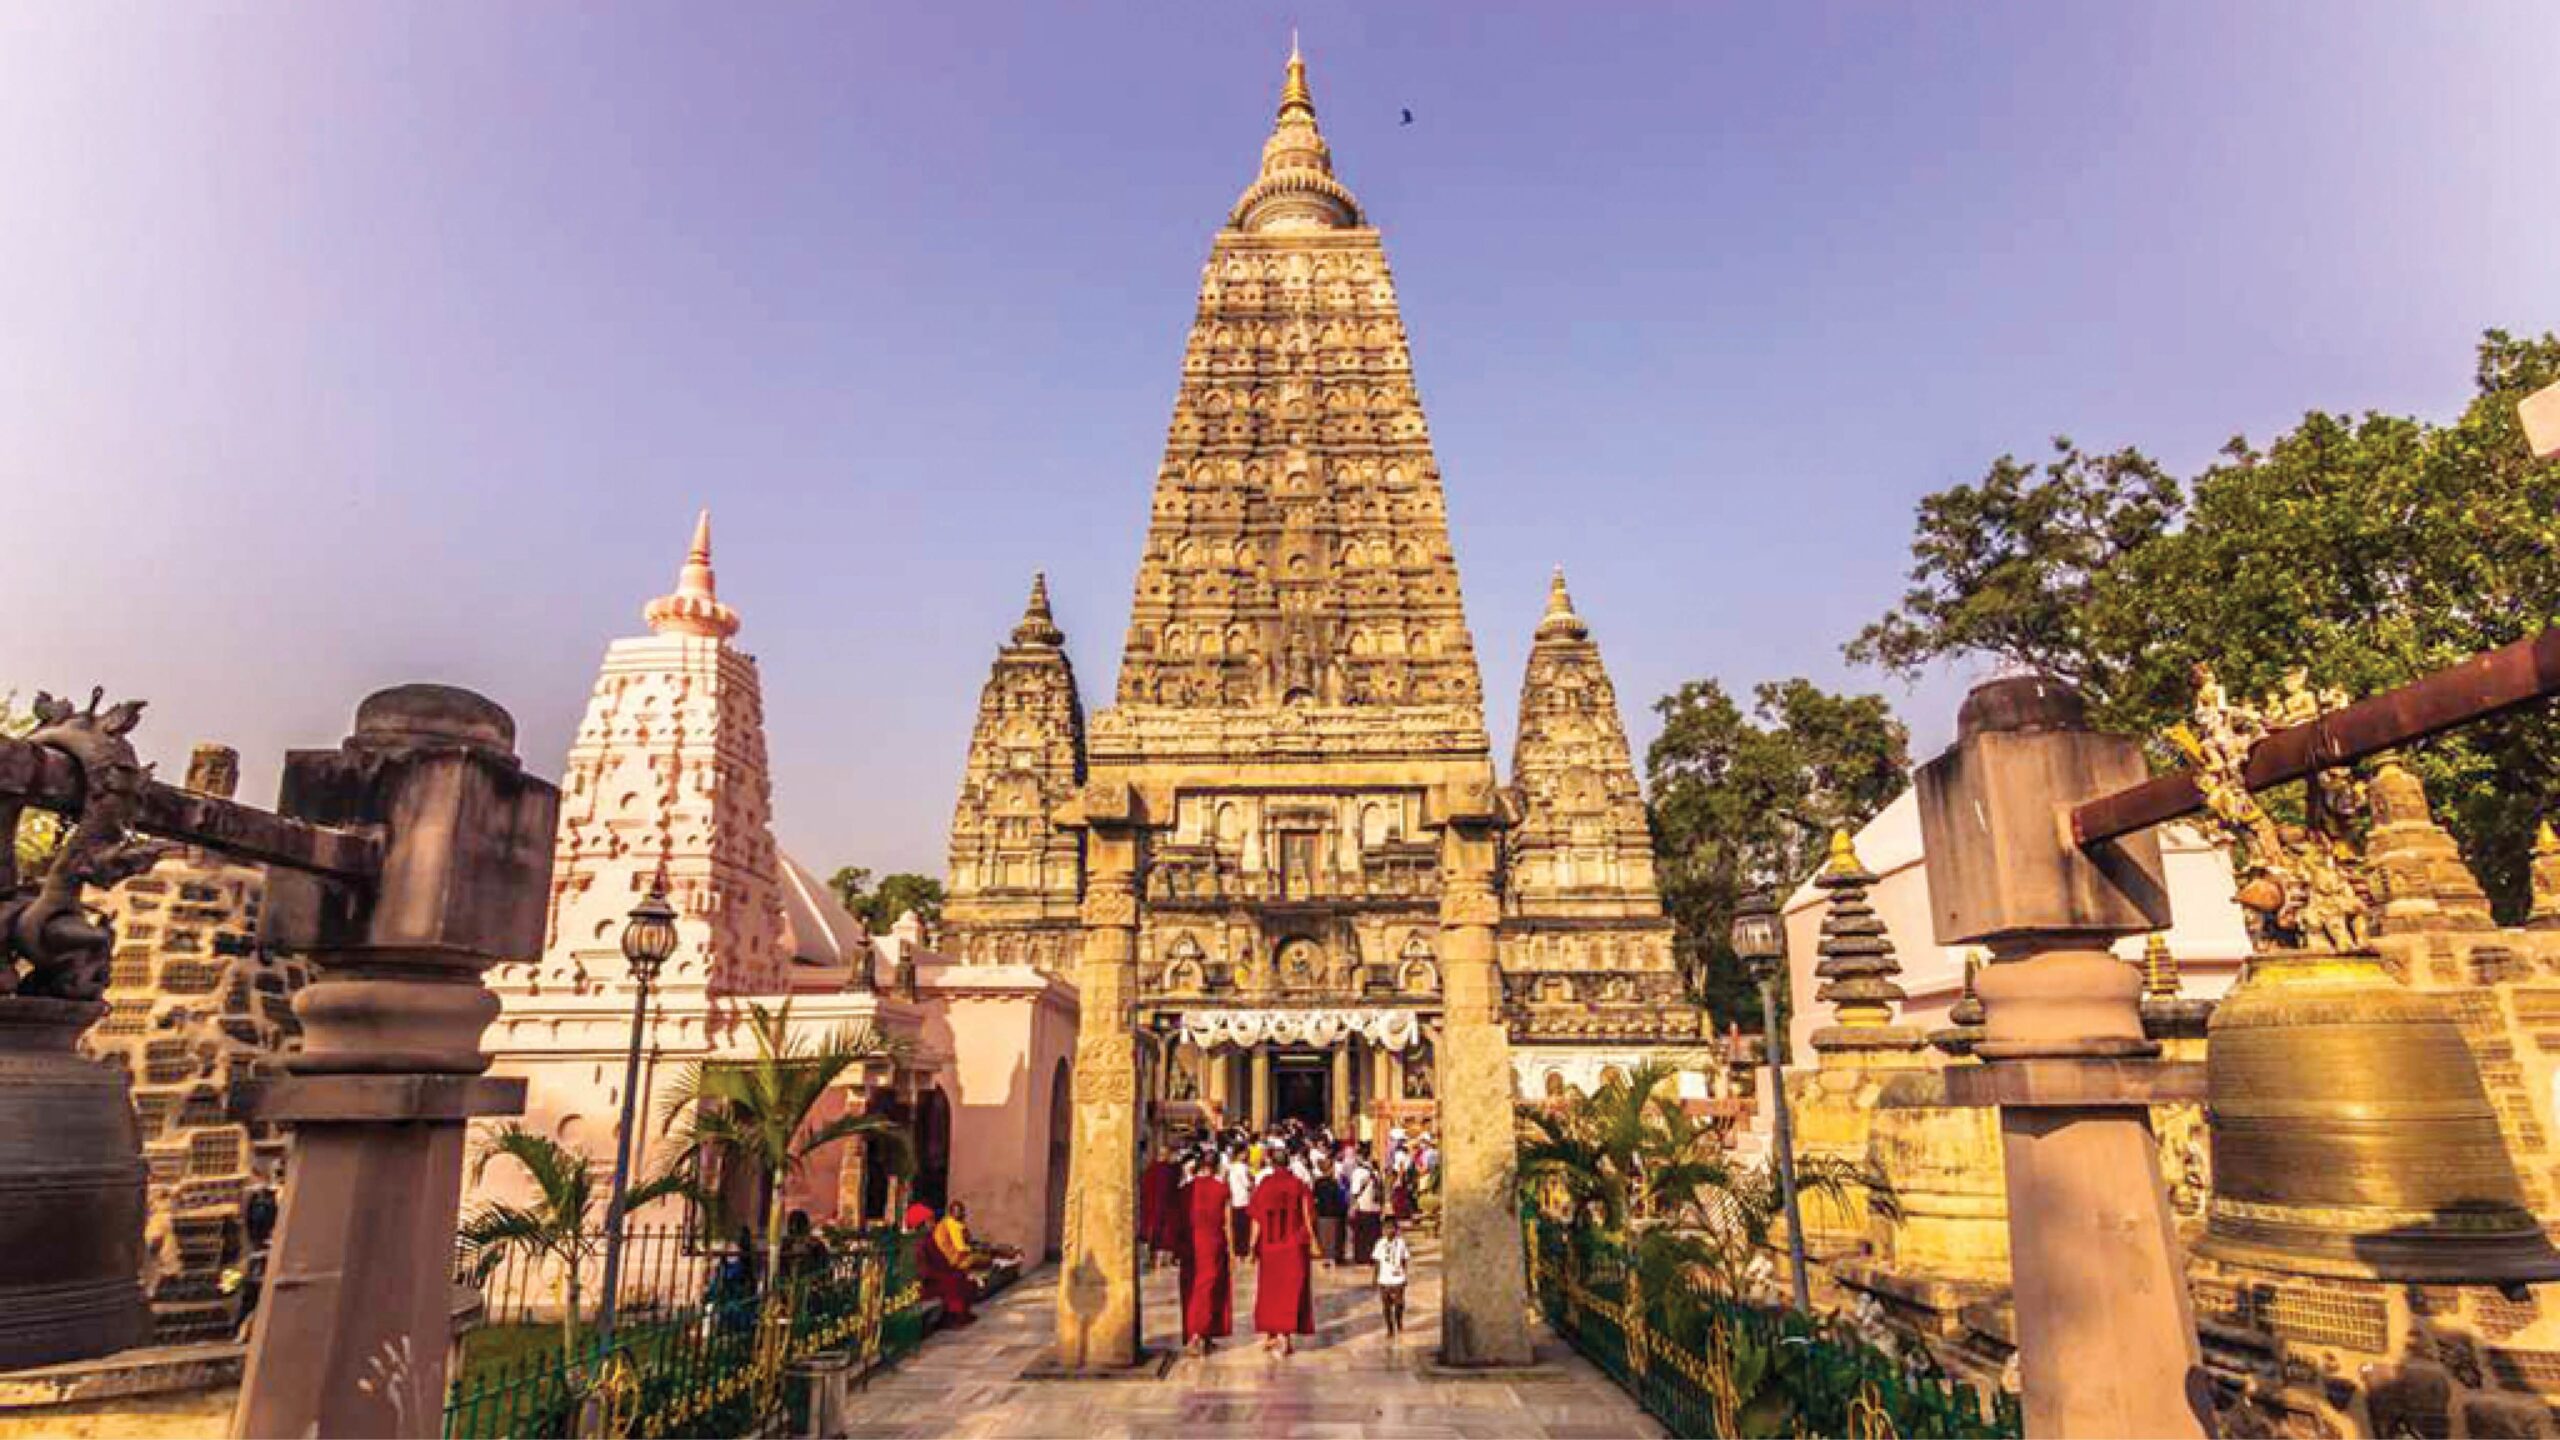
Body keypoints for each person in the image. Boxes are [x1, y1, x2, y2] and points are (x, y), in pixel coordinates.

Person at [1248, 1148, 1317, 1355]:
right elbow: (1307, 1216)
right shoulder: (1299, 1185)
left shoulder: (1264, 1186)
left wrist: (1252, 1246)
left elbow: (1257, 1218)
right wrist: (1313, 1240)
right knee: (1290, 1291)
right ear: (1288, 1163)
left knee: (1269, 1291)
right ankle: (1285, 1337)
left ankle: (1270, 1334)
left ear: (1271, 1163)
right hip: (1294, 1246)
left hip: (1270, 1247)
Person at [1178, 1152, 1233, 1354]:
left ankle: (1201, 1333)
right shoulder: (1222, 1189)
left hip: (1189, 1244)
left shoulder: (1184, 1190)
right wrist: (1233, 1250)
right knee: (1209, 1288)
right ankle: (1198, 1334)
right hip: (1213, 1242)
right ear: (1217, 1166)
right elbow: (1228, 1223)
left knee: (1192, 1287)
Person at [910, 1203, 976, 1329]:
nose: (934, 1224)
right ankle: (952, 1317)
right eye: (930, 1221)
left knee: (960, 1275)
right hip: (927, 1281)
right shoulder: (918, 1242)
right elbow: (922, 1269)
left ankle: (959, 1315)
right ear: (922, 1224)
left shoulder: (929, 1238)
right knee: (951, 1281)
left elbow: (941, 1259)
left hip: (938, 1272)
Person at [1140, 1142, 1182, 1268]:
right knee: (1163, 1234)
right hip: (1163, 1206)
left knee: (1157, 1233)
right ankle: (1162, 1260)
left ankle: (1155, 1260)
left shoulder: (1153, 1169)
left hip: (1156, 1206)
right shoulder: (1168, 1170)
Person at [1372, 1216, 1412, 1338]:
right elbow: (1377, 1261)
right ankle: (1390, 1328)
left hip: (1398, 1278)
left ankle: (1398, 1320)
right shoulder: (1380, 1243)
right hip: (1384, 1278)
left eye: (1391, 1228)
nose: (1389, 1231)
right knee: (1386, 1305)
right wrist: (1375, 1277)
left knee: (1399, 1303)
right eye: (1386, 1228)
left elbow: (1404, 1259)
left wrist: (1404, 1275)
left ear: (1396, 1229)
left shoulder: (1401, 1243)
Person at [1346, 1147, 1384, 1271]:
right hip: (1375, 1208)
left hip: (1363, 1207)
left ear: (1360, 1156)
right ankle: (1373, 1258)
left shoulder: (1359, 1172)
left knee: (1362, 1237)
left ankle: (1363, 1258)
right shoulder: (1376, 1171)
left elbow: (1354, 1191)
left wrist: (1351, 1206)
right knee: (1373, 1236)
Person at [1311, 1158, 1345, 1268]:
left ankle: (1325, 1258)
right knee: (1333, 1237)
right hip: (1333, 1213)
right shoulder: (1334, 1183)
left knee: (1323, 1237)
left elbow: (1314, 1198)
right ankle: (1332, 1258)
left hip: (1322, 1213)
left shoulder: (1317, 1183)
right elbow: (1339, 1198)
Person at [1223, 1146, 1255, 1259]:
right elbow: (1247, 1184)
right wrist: (1252, 1183)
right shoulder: (1242, 1168)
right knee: (1244, 1226)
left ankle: (1236, 1248)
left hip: (1233, 1199)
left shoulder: (1230, 1167)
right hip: (1243, 1199)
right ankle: (1242, 1250)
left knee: (1235, 1225)